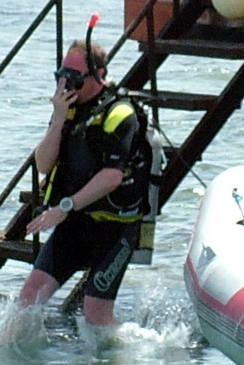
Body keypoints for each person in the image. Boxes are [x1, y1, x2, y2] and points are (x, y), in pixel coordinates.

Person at [15, 36, 150, 329]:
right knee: (27, 298)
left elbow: (113, 176)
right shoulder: (68, 110)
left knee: (95, 316)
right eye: (61, 75)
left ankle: (131, 356)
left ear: (98, 75)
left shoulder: (120, 114)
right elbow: (43, 164)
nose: (66, 84)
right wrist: (58, 119)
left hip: (116, 227)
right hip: (77, 223)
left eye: (74, 77)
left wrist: (65, 206)